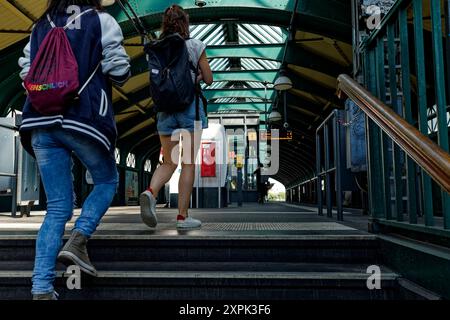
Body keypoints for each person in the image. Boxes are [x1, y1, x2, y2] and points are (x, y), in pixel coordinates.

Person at [18, 0, 130, 300]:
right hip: (81, 117)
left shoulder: (40, 25)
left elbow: (26, 73)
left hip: (39, 120)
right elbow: (118, 71)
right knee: (107, 180)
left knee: (56, 208)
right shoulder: (101, 20)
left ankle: (41, 287)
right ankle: (79, 238)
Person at [140, 5, 213, 229]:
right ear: (185, 23)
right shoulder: (194, 45)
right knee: (188, 163)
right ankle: (182, 217)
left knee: (169, 161)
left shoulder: (155, 48)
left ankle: (150, 192)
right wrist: (196, 77)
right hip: (189, 111)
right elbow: (209, 78)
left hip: (165, 112)